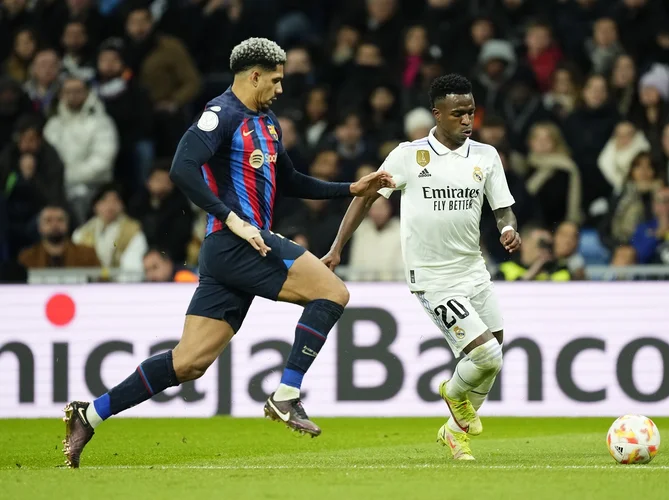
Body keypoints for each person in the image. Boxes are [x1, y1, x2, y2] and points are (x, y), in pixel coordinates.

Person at [61, 38, 394, 468]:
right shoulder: (221, 115)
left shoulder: (268, 122)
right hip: (236, 241)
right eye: (275, 80)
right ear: (253, 75)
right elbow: (181, 167)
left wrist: (349, 188)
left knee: (189, 363)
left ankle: (89, 415)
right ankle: (287, 394)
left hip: (235, 249)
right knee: (332, 293)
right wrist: (232, 218)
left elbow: (289, 179)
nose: (279, 89)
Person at [322, 74, 521, 461]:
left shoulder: (486, 156)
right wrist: (336, 248)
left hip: (473, 270)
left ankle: (454, 431)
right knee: (487, 356)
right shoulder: (408, 155)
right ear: (437, 114)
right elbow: (364, 199)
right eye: (459, 114)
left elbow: (502, 207)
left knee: (496, 349)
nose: (467, 120)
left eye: (471, 113)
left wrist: (508, 227)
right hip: (432, 277)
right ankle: (452, 392)